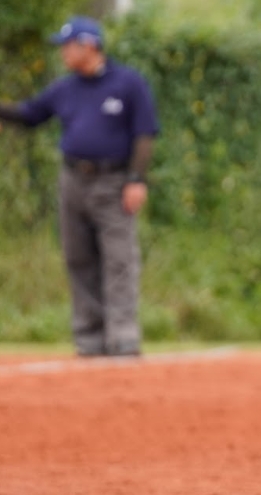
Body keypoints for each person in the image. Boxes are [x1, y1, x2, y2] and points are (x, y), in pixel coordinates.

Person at [0, 16, 159, 357]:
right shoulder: (65, 88)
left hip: (114, 180)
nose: (62, 54)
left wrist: (136, 179)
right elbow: (31, 115)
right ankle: (89, 339)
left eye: (66, 46)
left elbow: (144, 134)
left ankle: (123, 336)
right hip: (72, 181)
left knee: (119, 260)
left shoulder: (128, 83)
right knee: (78, 258)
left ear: (88, 46)